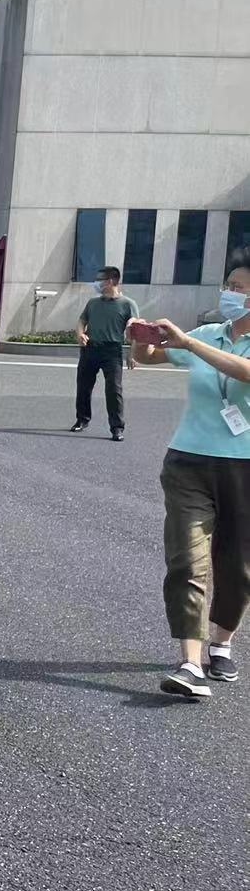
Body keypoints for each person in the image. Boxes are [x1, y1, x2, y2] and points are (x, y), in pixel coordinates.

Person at [129, 254, 250, 700]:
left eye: (239, 287)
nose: (229, 292)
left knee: (238, 566)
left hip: (245, 466)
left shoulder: (201, 343)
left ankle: (222, 643)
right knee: (187, 560)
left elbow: (245, 372)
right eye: (228, 284)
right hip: (189, 461)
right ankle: (190, 663)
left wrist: (190, 345)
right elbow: (152, 358)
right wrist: (140, 340)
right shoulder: (207, 334)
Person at [73, 266, 137, 441]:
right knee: (83, 386)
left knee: (114, 389)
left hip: (112, 351)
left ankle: (117, 427)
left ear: (110, 281)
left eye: (99, 280)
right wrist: (80, 334)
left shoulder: (127, 304)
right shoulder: (93, 303)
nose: (96, 283)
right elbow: (82, 320)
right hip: (90, 348)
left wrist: (132, 354)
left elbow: (136, 331)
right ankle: (82, 419)